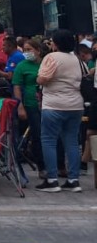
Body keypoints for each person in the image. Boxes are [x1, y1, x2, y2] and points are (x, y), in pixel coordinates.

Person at [36, 30, 84, 192]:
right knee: (71, 141)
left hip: (54, 104)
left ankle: (52, 179)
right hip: (76, 105)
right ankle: (73, 179)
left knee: (48, 140)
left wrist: (39, 79)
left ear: (55, 43)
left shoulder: (51, 57)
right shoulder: (76, 58)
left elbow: (42, 79)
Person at [13, 39, 44, 177]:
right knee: (37, 135)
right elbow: (17, 87)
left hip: (48, 104)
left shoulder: (45, 63)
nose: (26, 53)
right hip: (31, 104)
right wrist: (20, 105)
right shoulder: (21, 66)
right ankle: (42, 167)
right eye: (24, 50)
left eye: (29, 49)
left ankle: (58, 165)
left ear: (38, 50)